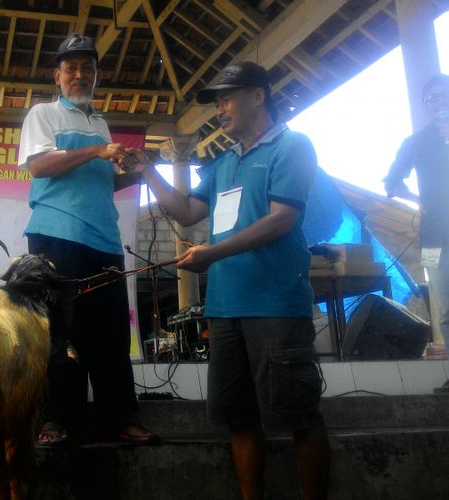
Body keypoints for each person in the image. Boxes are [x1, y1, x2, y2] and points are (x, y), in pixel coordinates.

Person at [122, 62, 330, 499]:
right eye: (217, 101)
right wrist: (148, 171)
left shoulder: (292, 147)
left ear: (258, 96)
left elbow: (281, 220)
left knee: (299, 416)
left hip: (275, 305)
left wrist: (213, 253)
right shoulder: (222, 163)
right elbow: (185, 211)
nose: (219, 109)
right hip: (225, 307)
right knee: (238, 418)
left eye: (227, 97)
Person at [17, 33, 154, 446]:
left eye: (87, 68)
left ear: (96, 76)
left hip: (105, 241)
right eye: (71, 68)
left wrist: (130, 168)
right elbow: (40, 166)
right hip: (58, 237)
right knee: (62, 333)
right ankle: (57, 419)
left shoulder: (99, 123)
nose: (80, 75)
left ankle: (120, 417)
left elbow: (97, 185)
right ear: (57, 76)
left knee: (111, 334)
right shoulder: (43, 114)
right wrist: (97, 152)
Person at [384, 73, 449, 393]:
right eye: (432, 98)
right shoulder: (417, 142)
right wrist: (421, 200)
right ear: (426, 105)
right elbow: (391, 183)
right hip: (435, 236)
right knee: (447, 305)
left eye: (444, 95)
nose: (439, 102)